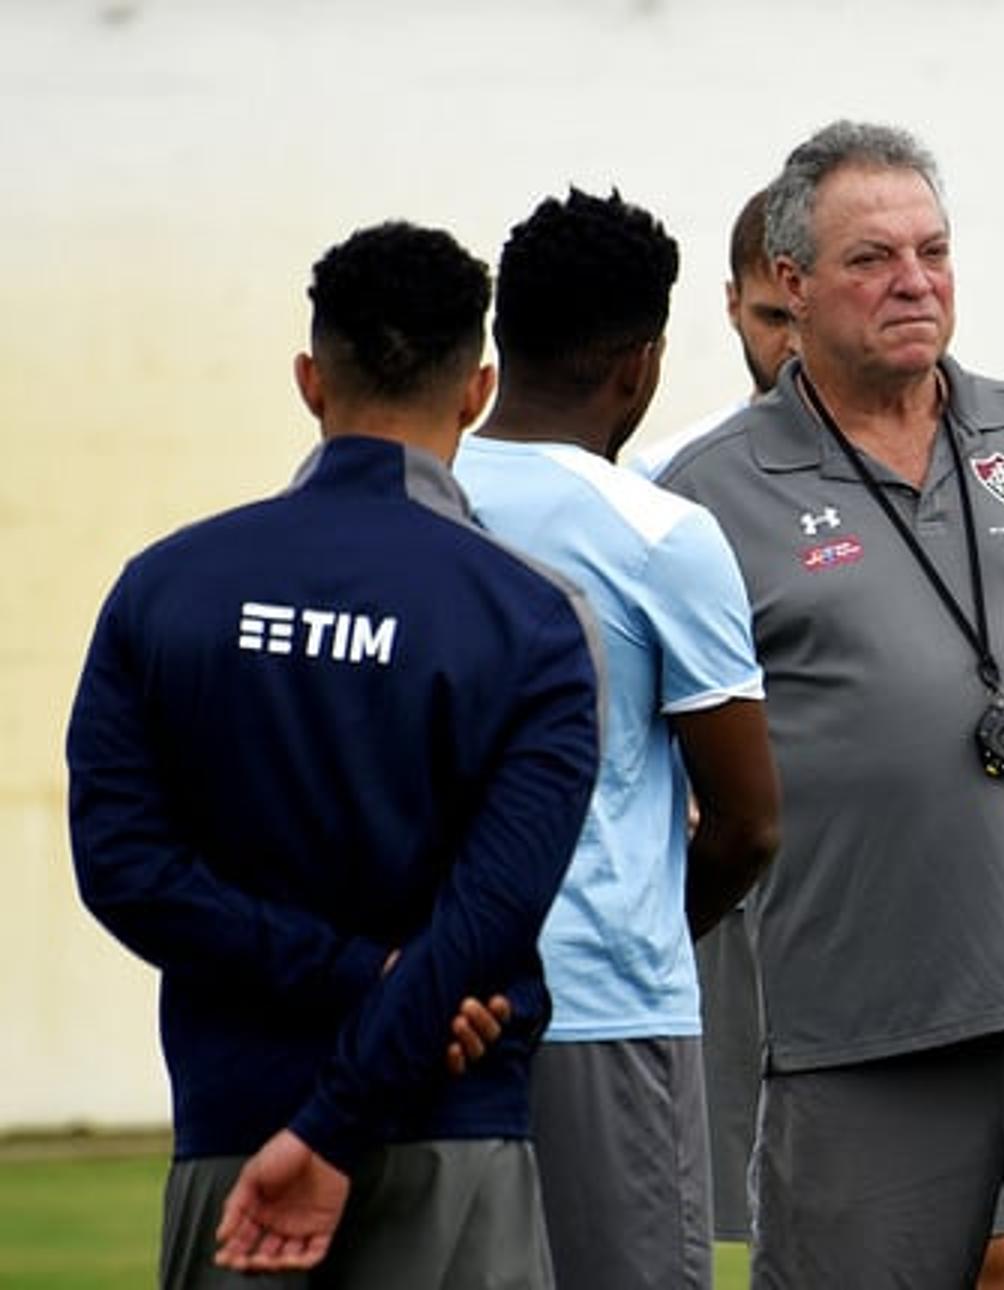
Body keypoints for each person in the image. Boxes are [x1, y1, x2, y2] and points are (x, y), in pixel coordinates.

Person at [658, 120, 1004, 1289]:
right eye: (872, 259)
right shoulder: (705, 495)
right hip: (858, 1037)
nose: (914, 282)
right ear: (790, 284)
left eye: (934, 251)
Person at [66, 221, 603, 1286]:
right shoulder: (534, 617)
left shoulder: (164, 587)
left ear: (311, 380)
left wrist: (341, 1005)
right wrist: (349, 1104)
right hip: (452, 1131)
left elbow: (125, 870)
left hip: (238, 1141)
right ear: (478, 389)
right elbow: (488, 920)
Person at [452, 188, 780, 1288]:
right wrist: (652, 931)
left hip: (415, 1001)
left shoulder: (420, 496)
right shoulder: (661, 534)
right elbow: (748, 823)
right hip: (602, 1006)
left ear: (502, 342)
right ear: (640, 363)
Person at [634, 187, 798, 478]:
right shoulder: (666, 474)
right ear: (734, 304)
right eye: (774, 317)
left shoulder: (902, 462)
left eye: (810, 318)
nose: (796, 344)